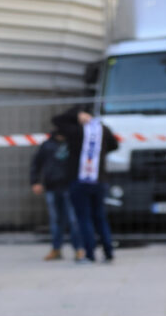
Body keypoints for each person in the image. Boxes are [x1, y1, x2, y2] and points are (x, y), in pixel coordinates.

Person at [52, 106, 119, 263]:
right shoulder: (102, 129)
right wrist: (99, 153)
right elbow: (115, 145)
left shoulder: (75, 130)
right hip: (99, 179)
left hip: (79, 180)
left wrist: (75, 116)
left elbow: (56, 120)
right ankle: (108, 251)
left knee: (84, 218)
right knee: (100, 217)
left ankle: (89, 254)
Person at [29, 130, 83, 261]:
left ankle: (79, 249)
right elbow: (36, 163)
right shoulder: (48, 144)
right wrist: (35, 181)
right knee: (56, 220)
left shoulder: (73, 142)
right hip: (52, 186)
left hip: (70, 186)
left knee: (74, 220)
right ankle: (56, 248)